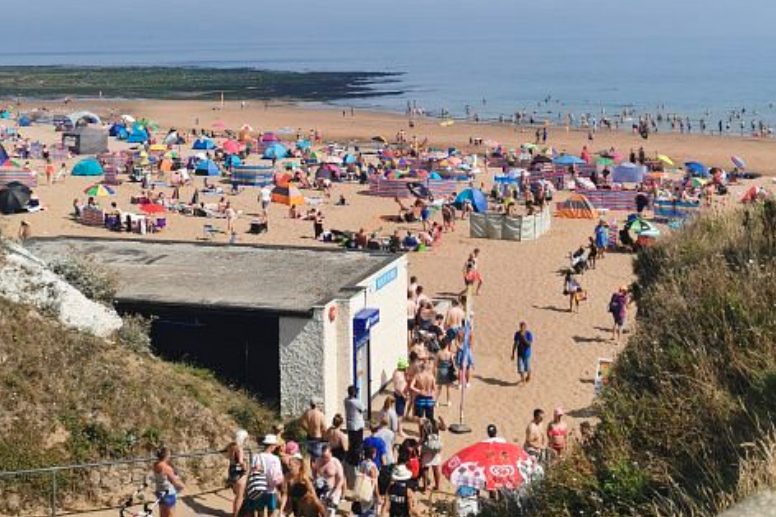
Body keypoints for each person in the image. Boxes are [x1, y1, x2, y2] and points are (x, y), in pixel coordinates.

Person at [242, 435, 284, 517]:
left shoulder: (256, 456)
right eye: (275, 445)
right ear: (272, 446)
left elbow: (253, 471)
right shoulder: (275, 458)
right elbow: (278, 475)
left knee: (260, 512)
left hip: (259, 488)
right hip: (271, 489)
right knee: (271, 512)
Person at [152, 447, 185, 517]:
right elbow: (175, 482)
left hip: (159, 492)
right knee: (170, 515)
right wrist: (182, 486)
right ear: (166, 455)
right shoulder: (167, 468)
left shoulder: (155, 465)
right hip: (168, 494)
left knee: (162, 514)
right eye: (169, 454)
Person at [313, 444, 345, 515]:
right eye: (323, 457)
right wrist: (315, 479)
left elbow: (341, 479)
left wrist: (335, 492)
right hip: (321, 490)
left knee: (331, 512)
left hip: (333, 490)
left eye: (327, 457)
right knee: (322, 511)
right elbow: (314, 469)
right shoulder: (318, 460)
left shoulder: (335, 462)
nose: (325, 459)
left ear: (331, 453)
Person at [226, 430, 249, 516]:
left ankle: (235, 513)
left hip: (232, 470)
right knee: (240, 496)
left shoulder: (230, 446)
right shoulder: (239, 447)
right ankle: (236, 514)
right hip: (239, 472)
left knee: (237, 496)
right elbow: (240, 461)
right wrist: (245, 468)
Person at [354, 446, 380, 516]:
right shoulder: (372, 466)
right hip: (369, 494)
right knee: (369, 513)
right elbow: (374, 483)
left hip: (362, 491)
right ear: (372, 454)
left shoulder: (363, 463)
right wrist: (378, 496)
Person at [301, 397, 327, 463]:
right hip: (317, 437)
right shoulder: (320, 414)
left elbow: (301, 423)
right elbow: (324, 428)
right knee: (318, 458)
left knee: (311, 458)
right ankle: (317, 472)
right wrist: (324, 437)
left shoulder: (307, 413)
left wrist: (307, 430)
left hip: (309, 436)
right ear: (316, 404)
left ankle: (313, 472)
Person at [409, 360, 436, 424]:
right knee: (429, 418)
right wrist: (433, 398)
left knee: (420, 418)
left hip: (420, 398)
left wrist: (418, 391)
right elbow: (434, 389)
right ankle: (428, 432)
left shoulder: (417, 376)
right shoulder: (431, 376)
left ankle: (421, 433)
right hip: (429, 398)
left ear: (420, 367)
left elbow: (411, 386)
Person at [419, 418, 442, 492]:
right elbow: (444, 428)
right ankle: (437, 486)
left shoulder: (424, 426)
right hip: (436, 448)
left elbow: (422, 439)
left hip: (427, 449)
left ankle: (425, 488)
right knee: (436, 467)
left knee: (425, 468)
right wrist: (441, 419)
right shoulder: (436, 424)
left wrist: (416, 446)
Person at [344, 385, 365, 467]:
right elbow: (363, 409)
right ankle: (355, 461)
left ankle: (351, 458)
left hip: (350, 425)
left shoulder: (346, 400)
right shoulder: (356, 402)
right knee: (358, 444)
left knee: (351, 443)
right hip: (357, 425)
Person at [435, 341, 455, 406]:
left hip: (440, 370)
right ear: (446, 345)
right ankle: (448, 401)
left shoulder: (439, 353)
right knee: (448, 387)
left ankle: (437, 401)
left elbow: (436, 363)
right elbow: (453, 364)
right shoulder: (449, 354)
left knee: (439, 387)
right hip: (447, 371)